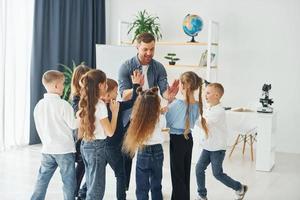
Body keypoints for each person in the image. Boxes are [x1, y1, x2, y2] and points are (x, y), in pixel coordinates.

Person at [118, 32, 179, 190]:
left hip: (151, 115)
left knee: (150, 154)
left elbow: (164, 90)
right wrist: (136, 86)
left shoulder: (158, 67)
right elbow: (123, 94)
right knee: (127, 155)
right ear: (137, 47)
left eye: (152, 49)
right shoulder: (126, 66)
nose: (149, 53)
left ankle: (153, 188)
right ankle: (123, 188)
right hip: (131, 115)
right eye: (145, 49)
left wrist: (170, 95)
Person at [195, 83, 248, 200]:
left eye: (208, 93)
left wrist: (193, 116)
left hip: (217, 149)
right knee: (199, 168)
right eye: (205, 92)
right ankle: (202, 195)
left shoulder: (219, 112)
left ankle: (239, 187)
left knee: (217, 173)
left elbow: (205, 124)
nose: (205, 95)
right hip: (208, 146)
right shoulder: (209, 108)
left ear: (217, 95)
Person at [31, 70, 78, 200]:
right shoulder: (63, 105)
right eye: (63, 84)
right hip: (65, 150)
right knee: (68, 182)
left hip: (47, 149)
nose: (64, 86)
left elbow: (39, 127)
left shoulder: (39, 105)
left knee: (42, 179)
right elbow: (74, 125)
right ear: (56, 86)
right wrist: (81, 117)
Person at [166, 71, 208, 200]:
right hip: (188, 139)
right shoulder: (197, 104)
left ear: (184, 86)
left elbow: (167, 122)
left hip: (176, 140)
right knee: (184, 173)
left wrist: (169, 102)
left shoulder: (176, 105)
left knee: (177, 175)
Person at [78, 69, 120, 200]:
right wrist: (115, 112)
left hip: (85, 145)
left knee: (91, 183)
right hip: (97, 148)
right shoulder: (100, 105)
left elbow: (79, 131)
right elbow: (110, 132)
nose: (107, 87)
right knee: (97, 188)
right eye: (106, 84)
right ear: (101, 85)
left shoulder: (87, 101)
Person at [101, 71, 141, 200]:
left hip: (102, 146)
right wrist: (135, 85)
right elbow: (134, 101)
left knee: (98, 173)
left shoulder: (98, 106)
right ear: (107, 94)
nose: (117, 94)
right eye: (115, 91)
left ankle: (83, 192)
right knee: (120, 175)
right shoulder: (116, 105)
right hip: (113, 147)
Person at [122, 87, 166, 200]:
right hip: (158, 151)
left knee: (142, 187)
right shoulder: (160, 118)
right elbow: (163, 127)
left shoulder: (135, 117)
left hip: (143, 151)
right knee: (156, 185)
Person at [70, 64, 90, 199]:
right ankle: (76, 193)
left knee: (88, 166)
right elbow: (80, 115)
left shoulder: (87, 95)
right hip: (80, 137)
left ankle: (80, 192)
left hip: (87, 135)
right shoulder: (77, 97)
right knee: (83, 165)